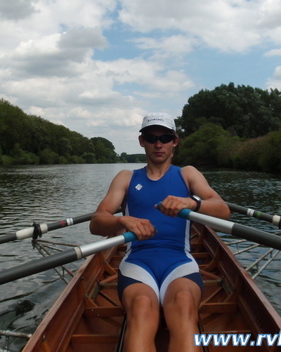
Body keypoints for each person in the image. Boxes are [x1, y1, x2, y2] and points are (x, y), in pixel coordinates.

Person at [90, 112, 231, 352]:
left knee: (185, 303)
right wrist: (124, 220)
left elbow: (223, 211)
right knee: (143, 305)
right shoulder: (126, 177)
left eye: (165, 137)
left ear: (174, 141)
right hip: (137, 262)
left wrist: (192, 203)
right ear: (141, 140)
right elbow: (97, 222)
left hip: (179, 261)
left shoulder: (188, 174)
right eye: (151, 137)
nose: (158, 143)